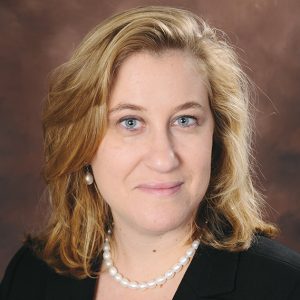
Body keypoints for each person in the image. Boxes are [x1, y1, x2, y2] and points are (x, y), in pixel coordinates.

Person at [1, 5, 299, 300]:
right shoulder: (31, 274)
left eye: (185, 120)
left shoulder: (285, 286)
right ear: (81, 143)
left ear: (216, 138)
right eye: (130, 122)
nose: (163, 158)